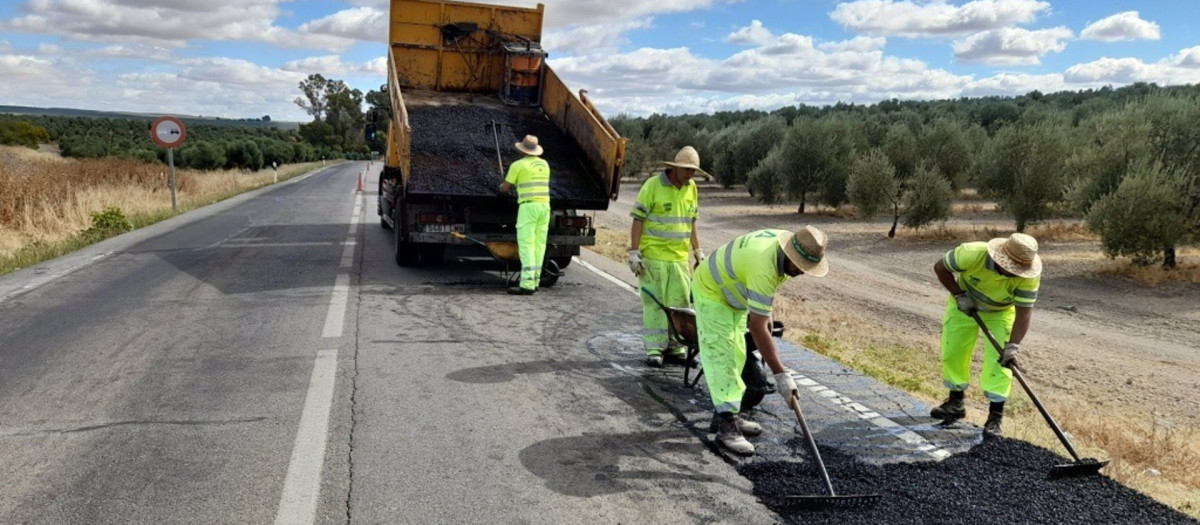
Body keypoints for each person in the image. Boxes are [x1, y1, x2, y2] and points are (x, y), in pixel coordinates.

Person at [692, 226, 829, 455]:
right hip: (712, 292)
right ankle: (727, 428)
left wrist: (766, 314)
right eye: (801, 266)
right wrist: (781, 375)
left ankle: (725, 415)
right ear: (790, 255)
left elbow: (765, 298)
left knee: (737, 353)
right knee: (723, 356)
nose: (802, 272)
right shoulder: (763, 265)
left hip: (732, 295)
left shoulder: (785, 247)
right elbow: (757, 327)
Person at [930, 233, 1042, 438]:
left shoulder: (1029, 275)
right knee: (954, 350)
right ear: (999, 259)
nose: (1014, 274)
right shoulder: (972, 253)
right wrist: (958, 294)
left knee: (1001, 363)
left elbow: (1024, 312)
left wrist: (1013, 346)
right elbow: (940, 268)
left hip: (1000, 313)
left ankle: (995, 418)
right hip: (964, 305)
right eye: (1011, 269)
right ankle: (955, 403)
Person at [629, 146, 707, 367]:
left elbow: (692, 222)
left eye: (694, 171)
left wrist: (697, 251)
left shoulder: (691, 189)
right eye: (687, 170)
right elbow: (638, 220)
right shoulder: (652, 186)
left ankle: (676, 346)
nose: (691, 175)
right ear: (675, 168)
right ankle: (655, 348)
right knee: (655, 303)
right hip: (654, 257)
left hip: (679, 259)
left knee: (680, 303)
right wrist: (634, 251)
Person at [498, 135, 551, 295]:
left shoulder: (518, 165)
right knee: (539, 244)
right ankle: (535, 280)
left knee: (526, 244)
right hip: (545, 207)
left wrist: (501, 186)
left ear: (522, 150)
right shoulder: (545, 164)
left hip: (528, 208)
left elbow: (506, 188)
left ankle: (527, 284)